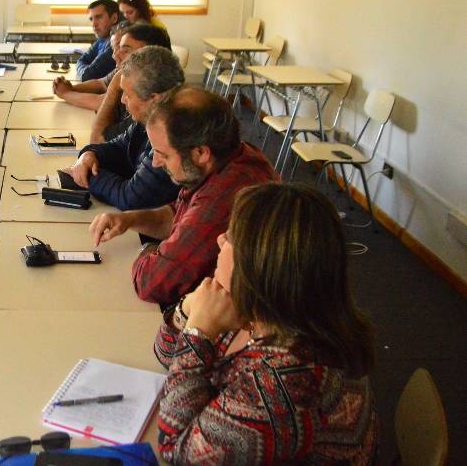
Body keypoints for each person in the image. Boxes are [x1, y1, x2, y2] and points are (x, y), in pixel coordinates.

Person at [154, 182, 378, 464]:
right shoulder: (266, 311)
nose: (220, 240)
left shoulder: (287, 382)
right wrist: (191, 309)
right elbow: (165, 353)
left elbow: (177, 450)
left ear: (257, 266)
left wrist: (199, 333)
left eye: (233, 237)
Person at [89, 87, 278, 308]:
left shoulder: (222, 198)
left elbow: (154, 282)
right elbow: (179, 213)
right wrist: (130, 220)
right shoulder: (230, 157)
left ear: (200, 153)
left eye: (164, 154)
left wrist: (147, 249)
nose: (156, 162)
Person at [61, 46, 184, 211]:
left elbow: (130, 198)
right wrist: (89, 155)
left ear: (154, 99)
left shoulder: (174, 134)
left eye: (127, 94)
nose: (123, 100)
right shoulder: (150, 117)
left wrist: (88, 175)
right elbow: (118, 147)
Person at [90, 23, 172, 143]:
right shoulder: (135, 85)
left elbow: (98, 141)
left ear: (151, 55)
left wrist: (113, 86)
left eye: (125, 50)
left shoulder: (149, 99)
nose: (115, 56)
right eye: (118, 49)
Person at [52, 20, 130, 112]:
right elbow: (101, 83)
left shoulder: (137, 72)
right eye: (113, 48)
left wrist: (65, 93)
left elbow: (103, 103)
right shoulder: (122, 69)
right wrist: (71, 88)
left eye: (122, 48)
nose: (114, 55)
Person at [75, 0, 120, 81]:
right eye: (91, 19)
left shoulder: (116, 43)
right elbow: (81, 60)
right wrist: (85, 69)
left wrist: (84, 69)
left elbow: (87, 75)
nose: (94, 24)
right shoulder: (102, 39)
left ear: (114, 18)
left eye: (98, 17)